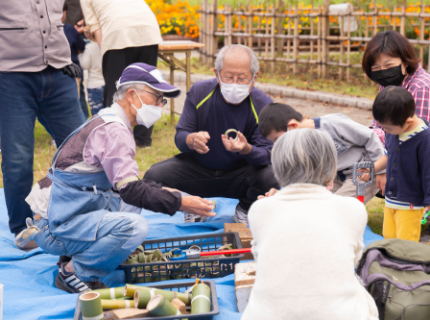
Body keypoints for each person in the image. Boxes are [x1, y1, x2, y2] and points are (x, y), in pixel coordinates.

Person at [15, 63, 215, 293]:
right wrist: (180, 203)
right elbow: (132, 190)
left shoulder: (111, 120)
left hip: (61, 214)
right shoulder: (115, 130)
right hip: (55, 227)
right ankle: (75, 271)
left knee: (131, 204)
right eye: (158, 97)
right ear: (132, 95)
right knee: (135, 227)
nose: (161, 105)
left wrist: (177, 196)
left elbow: (130, 186)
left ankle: (88, 252)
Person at [242, 129, 378, 320]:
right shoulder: (353, 209)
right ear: (331, 171)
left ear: (277, 169)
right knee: (362, 293)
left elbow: (261, 257)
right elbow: (353, 261)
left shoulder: (259, 209)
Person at [144, 44, 279, 225]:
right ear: (217, 74)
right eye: (229, 77)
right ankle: (194, 206)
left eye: (242, 78)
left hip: (239, 175)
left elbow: (266, 155)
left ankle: (245, 209)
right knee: (153, 177)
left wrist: (246, 149)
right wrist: (191, 140)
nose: (234, 84)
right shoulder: (200, 92)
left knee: (272, 177)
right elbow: (181, 136)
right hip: (198, 170)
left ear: (254, 78)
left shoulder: (263, 104)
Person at [0, 0, 86, 251]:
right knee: (17, 156)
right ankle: (23, 227)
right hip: (11, 74)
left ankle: (78, 216)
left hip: (59, 73)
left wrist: (64, 54)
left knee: (83, 148)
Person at [258, 103, 385, 204]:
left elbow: (371, 137)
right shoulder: (300, 145)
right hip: (336, 176)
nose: (279, 145)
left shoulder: (333, 124)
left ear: (292, 126)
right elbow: (300, 176)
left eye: (278, 140)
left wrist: (381, 172)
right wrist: (282, 194)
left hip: (364, 172)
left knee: (337, 207)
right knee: (317, 204)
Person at [80, 0, 163, 147]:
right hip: (148, 27)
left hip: (117, 30)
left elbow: (96, 28)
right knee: (147, 86)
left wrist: (105, 49)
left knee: (115, 88)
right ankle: (142, 139)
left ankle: (114, 138)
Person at [371, 87, 430, 242]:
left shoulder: (424, 139)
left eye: (388, 127)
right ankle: (391, 264)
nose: (385, 130)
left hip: (410, 203)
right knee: (389, 237)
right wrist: (373, 169)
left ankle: (406, 266)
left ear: (408, 121)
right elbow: (388, 154)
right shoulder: (393, 131)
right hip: (391, 199)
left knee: (405, 243)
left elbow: (428, 172)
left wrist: (428, 201)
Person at [362, 30, 430, 126]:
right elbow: (379, 124)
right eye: (376, 68)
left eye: (388, 65)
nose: (383, 72)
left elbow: (418, 135)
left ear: (405, 61)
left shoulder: (421, 88)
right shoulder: (387, 84)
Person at [62, 3, 89, 119]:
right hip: (74, 69)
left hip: (55, 71)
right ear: (64, 13)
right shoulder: (70, 29)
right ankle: (83, 120)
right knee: (77, 96)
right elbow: (81, 46)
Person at [78, 31, 106, 115]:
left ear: (89, 33)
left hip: (94, 85)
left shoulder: (89, 47)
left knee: (98, 115)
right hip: (107, 84)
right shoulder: (106, 45)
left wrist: (79, 55)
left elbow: (85, 65)